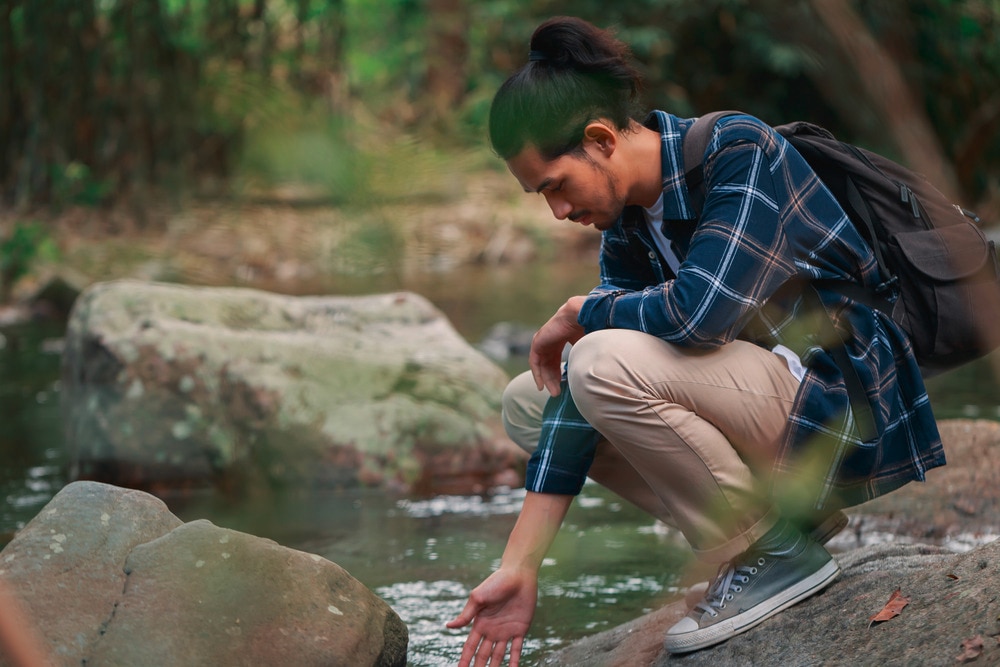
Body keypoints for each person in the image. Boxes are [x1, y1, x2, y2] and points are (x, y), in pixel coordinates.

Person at [446, 15, 945, 665]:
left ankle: (770, 551)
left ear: (599, 139)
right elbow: (582, 396)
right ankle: (783, 532)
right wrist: (520, 564)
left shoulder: (738, 149)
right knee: (530, 400)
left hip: (838, 405)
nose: (558, 213)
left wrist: (581, 308)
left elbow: (699, 313)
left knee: (597, 356)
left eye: (555, 186)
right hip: (766, 412)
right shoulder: (628, 224)